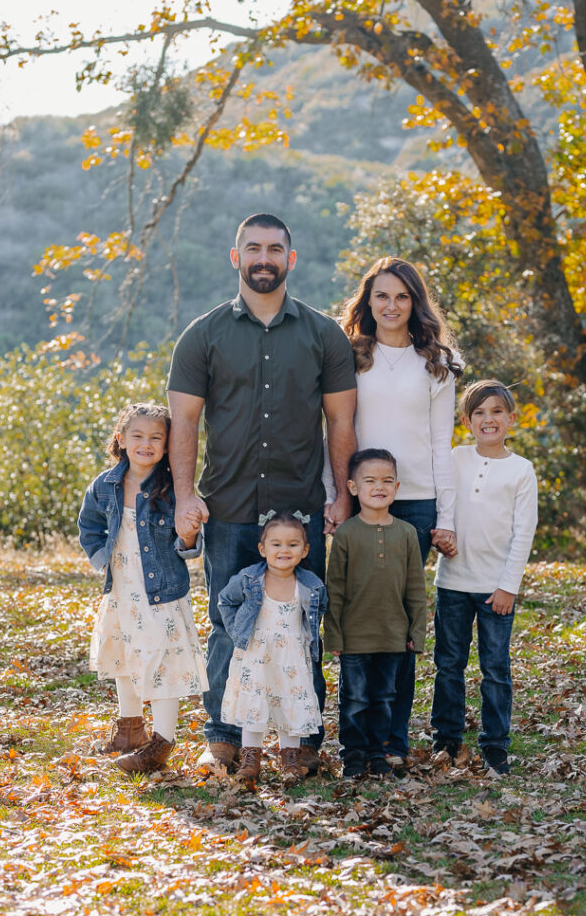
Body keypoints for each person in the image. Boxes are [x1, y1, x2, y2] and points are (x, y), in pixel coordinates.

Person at [167, 213, 357, 775]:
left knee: (303, 624)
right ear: (236, 257)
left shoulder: (324, 334)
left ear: (291, 260)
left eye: (275, 249)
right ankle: (223, 737)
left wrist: (342, 498)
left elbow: (341, 424)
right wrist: (183, 496)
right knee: (229, 624)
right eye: (253, 248)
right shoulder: (202, 335)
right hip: (228, 507)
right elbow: (184, 424)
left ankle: (301, 741)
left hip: (302, 510)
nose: (264, 258)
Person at [325, 256, 463, 765]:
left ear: (415, 302)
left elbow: (441, 444)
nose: (391, 305)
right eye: (381, 295)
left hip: (417, 503)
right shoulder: (347, 357)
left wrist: (444, 518)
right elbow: (334, 433)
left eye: (402, 296)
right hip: (360, 498)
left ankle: (394, 740)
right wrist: (337, 494)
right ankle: (358, 740)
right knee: (361, 616)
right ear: (368, 301)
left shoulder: (437, 364)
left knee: (398, 621)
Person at [78, 402, 208, 774]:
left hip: (161, 592)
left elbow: (189, 541)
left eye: (156, 437)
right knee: (124, 656)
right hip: (122, 589)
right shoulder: (104, 485)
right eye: (137, 436)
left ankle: (161, 743)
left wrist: (190, 536)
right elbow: (89, 526)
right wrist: (102, 560)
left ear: (168, 446)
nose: (146, 444)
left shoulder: (173, 488)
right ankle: (130, 729)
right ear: (121, 439)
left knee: (162, 663)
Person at [431, 380, 538, 775]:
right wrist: (441, 535)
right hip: (453, 583)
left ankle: (495, 744)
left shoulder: (521, 470)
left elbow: (523, 532)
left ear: (511, 419)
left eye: (496, 412)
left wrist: (509, 585)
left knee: (495, 668)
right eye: (479, 413)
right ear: (465, 420)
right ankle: (446, 738)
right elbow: (441, 505)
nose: (488, 419)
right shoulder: (454, 459)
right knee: (449, 663)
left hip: (496, 590)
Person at [324, 449, 428, 779]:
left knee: (385, 699)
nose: (378, 487)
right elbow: (335, 588)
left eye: (386, 481)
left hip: (394, 637)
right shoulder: (346, 534)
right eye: (370, 480)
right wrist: (334, 634)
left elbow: (416, 588)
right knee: (354, 700)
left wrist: (417, 631)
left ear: (396, 487)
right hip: (355, 637)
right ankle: (352, 754)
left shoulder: (407, 533)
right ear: (354, 487)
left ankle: (378, 752)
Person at [218, 512, 328, 784]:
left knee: (290, 703)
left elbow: (318, 612)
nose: (284, 550)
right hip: (256, 656)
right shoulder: (249, 580)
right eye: (276, 544)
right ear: (263, 548)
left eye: (292, 545)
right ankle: (250, 759)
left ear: (304, 550)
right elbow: (225, 601)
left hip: (291, 658)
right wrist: (238, 633)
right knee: (254, 705)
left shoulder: (309, 585)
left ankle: (290, 759)